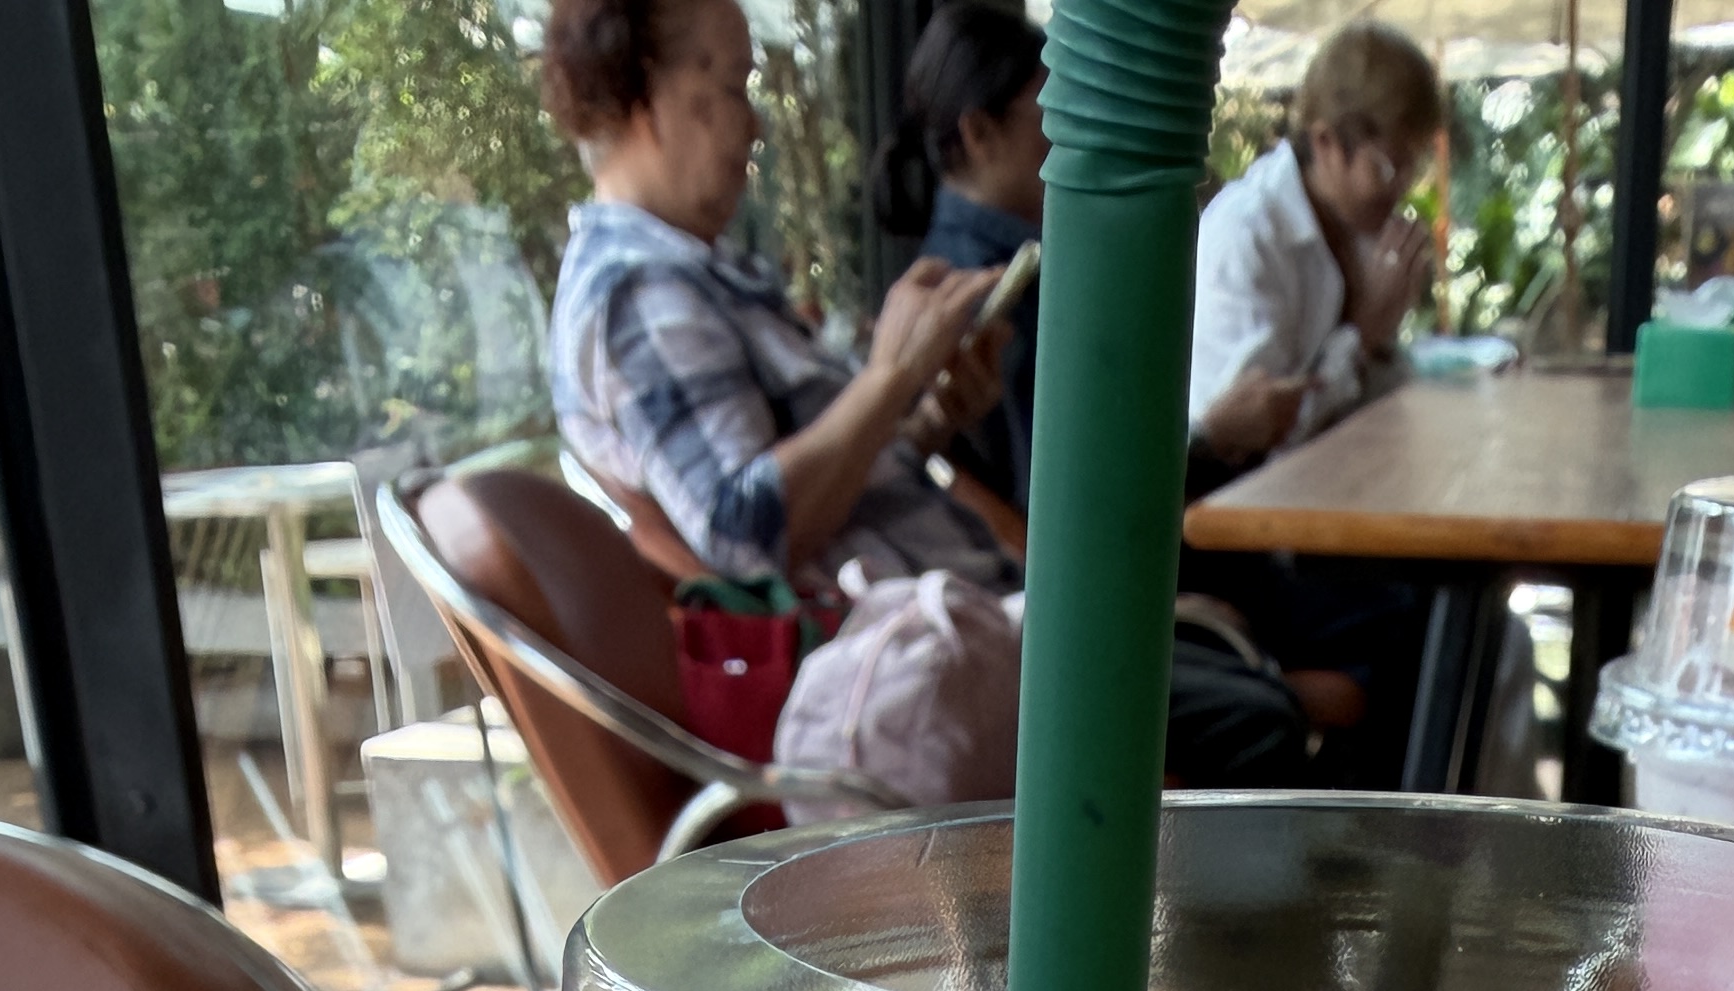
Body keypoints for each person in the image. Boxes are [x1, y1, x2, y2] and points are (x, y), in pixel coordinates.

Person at [541, 0, 1312, 784]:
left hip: (964, 639)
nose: (756, 124)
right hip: (920, 686)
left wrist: (926, 422)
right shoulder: (642, 292)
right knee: (1257, 721)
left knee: (1251, 687)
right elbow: (743, 535)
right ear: (644, 96)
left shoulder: (697, 277)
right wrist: (893, 376)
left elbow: (817, 504)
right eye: (734, 88)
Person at [1187, 21, 1442, 471]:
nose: (1401, 187)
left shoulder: (1356, 229)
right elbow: (1262, 442)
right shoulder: (1249, 235)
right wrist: (1362, 335)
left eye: (1414, 167)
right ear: (1325, 142)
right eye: (1388, 167)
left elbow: (1378, 397)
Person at [870, 1, 1045, 519]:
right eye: (1051, 114)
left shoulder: (967, 269)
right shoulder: (979, 295)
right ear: (979, 133)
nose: (1068, 137)